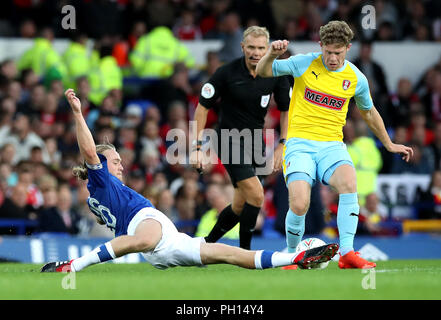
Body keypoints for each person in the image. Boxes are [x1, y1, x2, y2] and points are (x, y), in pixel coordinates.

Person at [40, 89, 338, 273]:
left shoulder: (100, 188)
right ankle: (75, 265)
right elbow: (90, 151)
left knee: (231, 254)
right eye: (114, 160)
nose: (120, 163)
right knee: (144, 239)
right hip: (143, 225)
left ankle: (294, 257)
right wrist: (79, 114)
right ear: (101, 165)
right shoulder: (100, 180)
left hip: (165, 243)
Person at [256, 20, 413, 269]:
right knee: (299, 203)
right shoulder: (304, 63)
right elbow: (264, 71)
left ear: (348, 48)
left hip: (331, 145)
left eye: (337, 53)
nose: (331, 57)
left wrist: (389, 143)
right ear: (321, 46)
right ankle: (289, 255)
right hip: (300, 144)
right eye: (327, 51)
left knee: (350, 182)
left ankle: (348, 253)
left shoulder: (356, 78)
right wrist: (270, 55)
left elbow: (369, 112)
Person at [191, 26, 291, 250]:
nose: (256, 53)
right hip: (227, 139)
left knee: (239, 205)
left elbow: (286, 110)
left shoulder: (277, 73)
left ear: (267, 49)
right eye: (252, 47)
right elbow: (201, 109)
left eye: (261, 48)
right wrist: (197, 146)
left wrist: (282, 145)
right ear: (242, 47)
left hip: (256, 143)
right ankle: (246, 253)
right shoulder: (226, 73)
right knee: (256, 196)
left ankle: (203, 248)